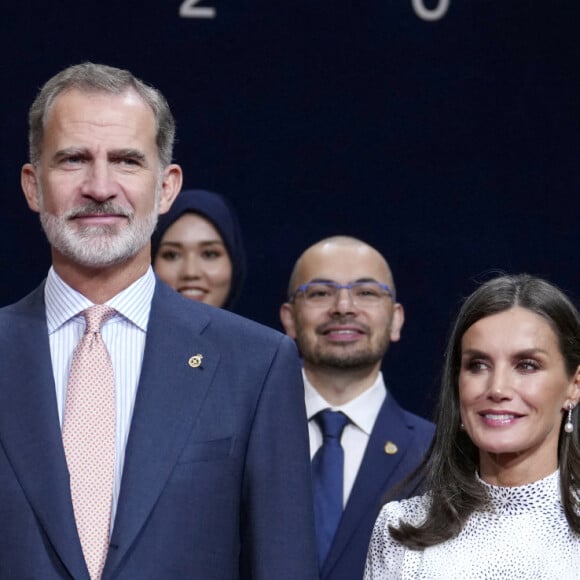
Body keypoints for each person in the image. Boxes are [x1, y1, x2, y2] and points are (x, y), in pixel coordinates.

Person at [1, 62, 318, 580]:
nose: (100, 187)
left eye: (127, 160)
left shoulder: (256, 367)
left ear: (166, 187)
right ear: (33, 186)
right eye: (74, 159)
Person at [364, 274, 580, 579]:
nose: (497, 388)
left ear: (574, 385)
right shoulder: (403, 528)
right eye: (478, 365)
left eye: (526, 365)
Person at [279, 236, 434, 580]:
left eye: (366, 292)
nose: (344, 306)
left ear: (396, 320)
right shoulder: (248, 437)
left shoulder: (437, 454)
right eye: (320, 292)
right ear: (289, 319)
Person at [151, 188, 246, 310]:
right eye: (172, 255)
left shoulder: (258, 330)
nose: (190, 273)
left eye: (209, 254)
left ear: (234, 264)